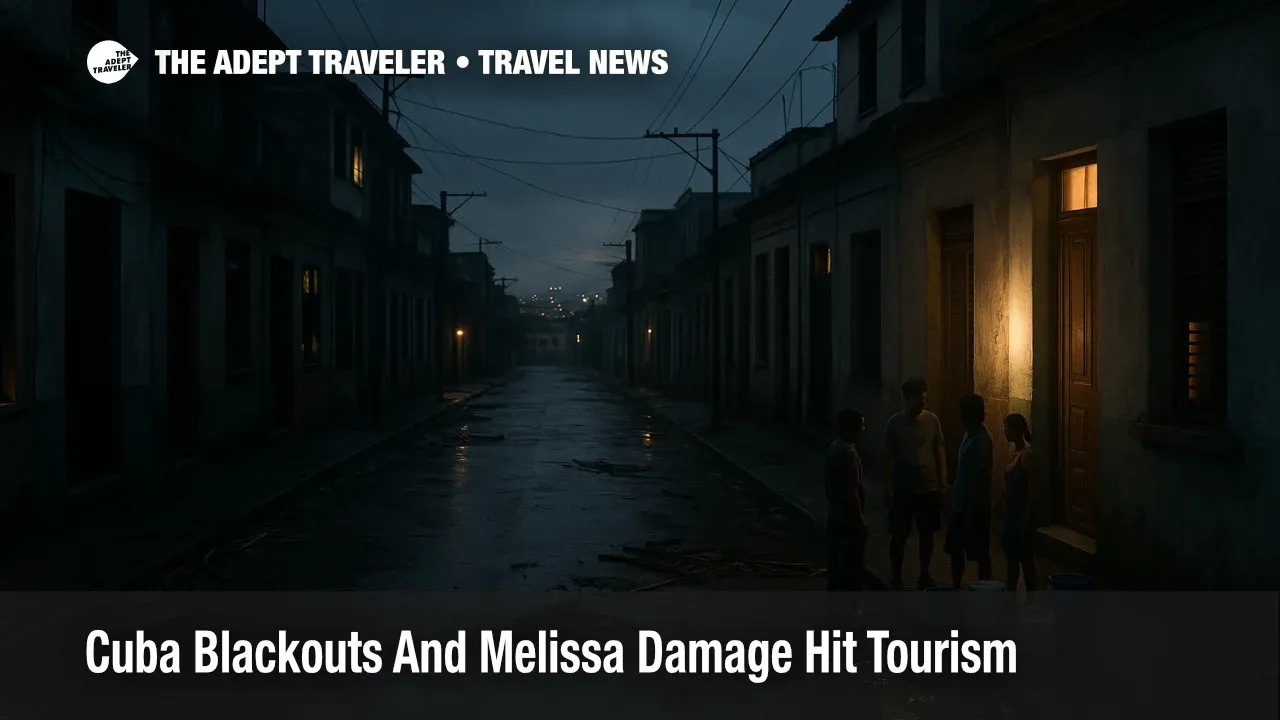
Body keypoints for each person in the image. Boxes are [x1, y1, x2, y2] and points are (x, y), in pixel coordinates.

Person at [883, 378, 947, 590]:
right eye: (919, 399)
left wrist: (943, 482)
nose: (923, 403)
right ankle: (896, 576)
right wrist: (888, 488)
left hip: (928, 487)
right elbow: (888, 457)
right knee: (898, 535)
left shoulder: (932, 420)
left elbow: (939, 450)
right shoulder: (895, 423)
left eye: (924, 399)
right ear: (907, 399)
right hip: (903, 489)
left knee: (927, 534)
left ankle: (925, 574)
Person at [945, 395, 994, 588]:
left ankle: (985, 589)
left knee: (980, 552)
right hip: (960, 504)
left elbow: (982, 479)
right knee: (956, 550)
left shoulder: (981, 441)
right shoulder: (969, 435)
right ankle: (957, 585)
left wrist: (972, 511)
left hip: (974, 507)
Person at [825, 409, 869, 590]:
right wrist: (860, 521)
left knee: (835, 567)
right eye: (862, 425)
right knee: (849, 570)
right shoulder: (849, 453)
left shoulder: (833, 447)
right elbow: (852, 492)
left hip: (834, 514)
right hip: (847, 518)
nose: (864, 429)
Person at [1002, 413, 1038, 592]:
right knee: (1012, 557)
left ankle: (1031, 596)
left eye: (1008, 429)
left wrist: (1027, 515)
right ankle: (1011, 593)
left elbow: (1033, 488)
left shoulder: (1027, 454)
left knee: (1025, 557)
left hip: (1020, 513)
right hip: (1010, 511)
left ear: (1018, 430)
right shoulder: (1013, 452)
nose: (1005, 433)